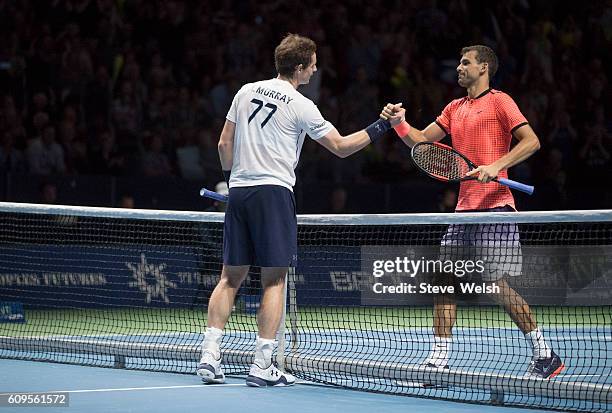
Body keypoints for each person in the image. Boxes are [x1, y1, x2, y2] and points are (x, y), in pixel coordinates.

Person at [197, 33, 391, 387]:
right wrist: (383, 126)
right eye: (313, 65)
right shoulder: (301, 105)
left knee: (229, 278)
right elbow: (342, 147)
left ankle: (209, 356)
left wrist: (231, 181)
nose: (316, 70)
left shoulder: (245, 91)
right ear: (299, 68)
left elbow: (224, 143)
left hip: (239, 191)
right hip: (273, 193)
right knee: (275, 279)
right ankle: (262, 364)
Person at [381, 45, 564, 380]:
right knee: (444, 280)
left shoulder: (501, 101)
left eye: (466, 63)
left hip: (496, 207)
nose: (459, 67)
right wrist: (399, 124)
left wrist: (497, 165)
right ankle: (438, 358)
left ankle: (544, 353)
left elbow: (532, 141)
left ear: (484, 68)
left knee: (494, 284)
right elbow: (422, 144)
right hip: (464, 210)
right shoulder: (454, 108)